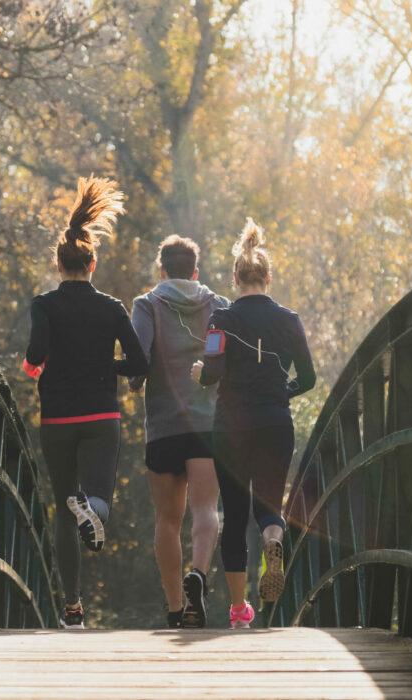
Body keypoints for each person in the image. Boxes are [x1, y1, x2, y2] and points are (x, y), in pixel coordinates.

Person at [24, 175, 148, 629]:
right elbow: (139, 362)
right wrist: (106, 366)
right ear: (92, 264)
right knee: (96, 493)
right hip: (101, 414)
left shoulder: (44, 304)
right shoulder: (113, 306)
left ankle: (72, 607)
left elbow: (36, 355)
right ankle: (93, 509)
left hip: (57, 416)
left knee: (62, 509)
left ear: (59, 265)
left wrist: (37, 363)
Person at [191, 218, 316, 629]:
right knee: (268, 506)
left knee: (234, 513)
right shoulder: (290, 319)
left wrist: (199, 374)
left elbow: (212, 373)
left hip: (231, 427)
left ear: (235, 278)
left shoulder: (220, 320)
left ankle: (239, 611)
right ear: (268, 276)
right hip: (276, 422)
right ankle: (273, 543)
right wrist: (281, 394)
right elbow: (310, 379)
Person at [130, 236, 229, 629]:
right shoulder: (220, 307)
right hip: (207, 425)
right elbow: (228, 364)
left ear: (162, 270)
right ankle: (199, 576)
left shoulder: (147, 305)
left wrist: (131, 376)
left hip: (165, 427)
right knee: (205, 509)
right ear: (196, 271)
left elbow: (138, 368)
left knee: (166, 521)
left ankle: (175, 609)